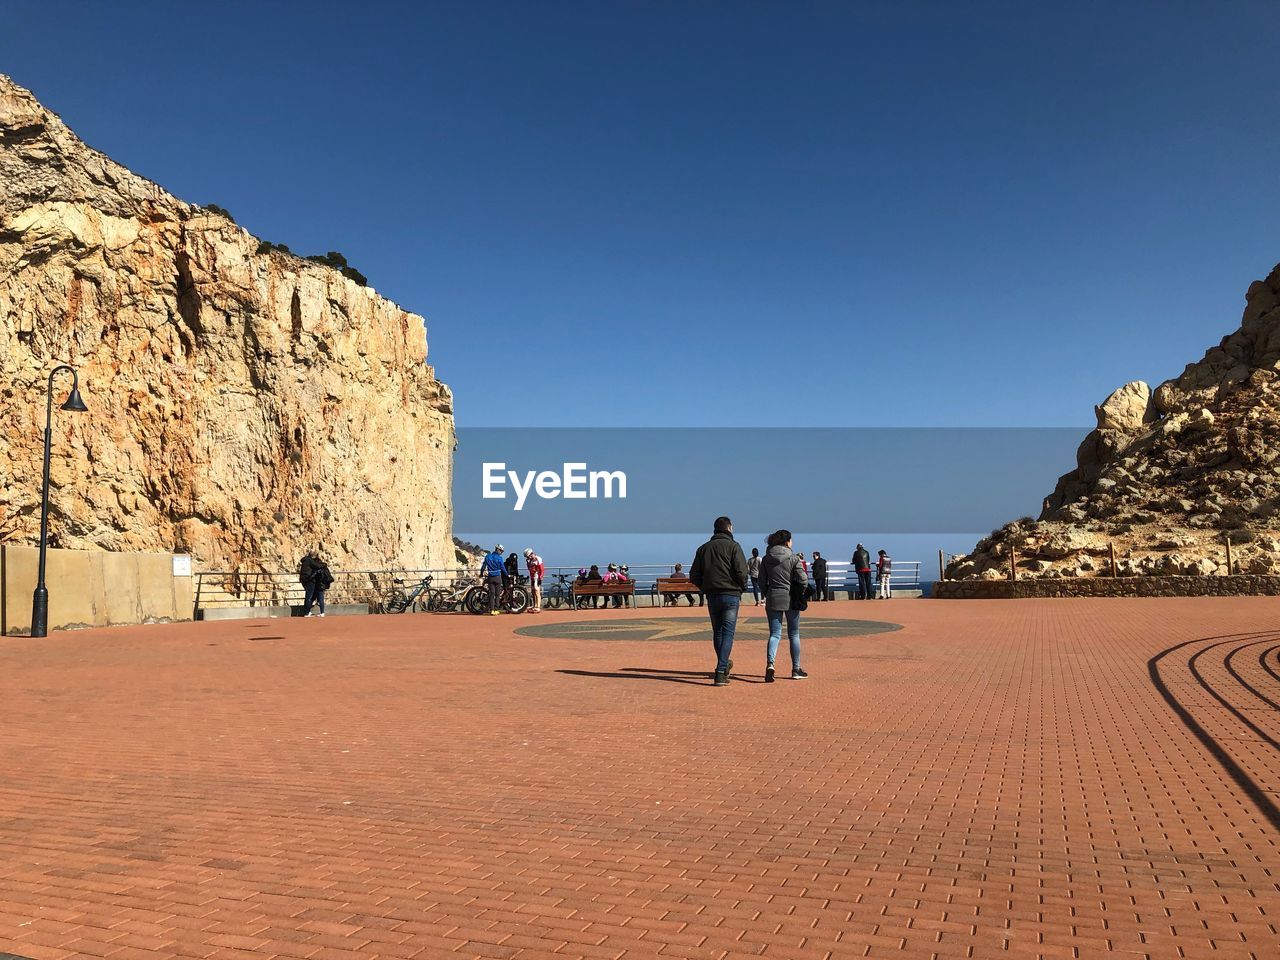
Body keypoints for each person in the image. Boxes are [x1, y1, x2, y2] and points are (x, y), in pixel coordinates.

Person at [688, 516, 748, 686]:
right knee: (728, 632)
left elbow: (694, 575)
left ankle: (723, 665)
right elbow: (742, 572)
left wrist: (705, 587)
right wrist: (741, 588)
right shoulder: (734, 547)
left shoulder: (703, 549)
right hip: (731, 595)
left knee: (718, 632)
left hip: (712, 595)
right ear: (729, 528)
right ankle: (721, 670)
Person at [761, 530, 808, 681]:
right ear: (787, 542)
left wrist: (767, 592)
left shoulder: (766, 558)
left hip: (773, 597)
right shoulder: (794, 558)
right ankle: (796, 669)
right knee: (794, 634)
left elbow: (761, 581)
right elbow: (803, 579)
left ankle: (770, 664)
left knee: (774, 634)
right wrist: (799, 590)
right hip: (791, 599)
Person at [299, 549, 333, 617]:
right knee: (311, 597)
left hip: (305, 580)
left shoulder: (305, 561)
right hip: (311, 581)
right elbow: (317, 566)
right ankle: (308, 612)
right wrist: (324, 564)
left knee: (309, 596)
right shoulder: (310, 561)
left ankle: (307, 611)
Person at [479, 544, 506, 615]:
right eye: (501, 551)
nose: (501, 553)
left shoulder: (488, 557)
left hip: (490, 577)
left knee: (492, 594)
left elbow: (483, 567)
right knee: (497, 595)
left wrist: (481, 574)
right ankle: (496, 610)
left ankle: (492, 609)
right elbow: (503, 568)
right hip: (498, 577)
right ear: (498, 550)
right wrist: (506, 575)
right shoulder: (500, 558)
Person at [523, 548, 544, 613]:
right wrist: (527, 562)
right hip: (532, 577)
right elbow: (529, 569)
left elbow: (542, 569)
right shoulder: (529, 560)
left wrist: (540, 578)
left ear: (531, 554)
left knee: (536, 590)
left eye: (528, 556)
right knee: (533, 591)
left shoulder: (538, 559)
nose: (528, 557)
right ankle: (534, 605)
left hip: (537, 576)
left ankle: (538, 607)